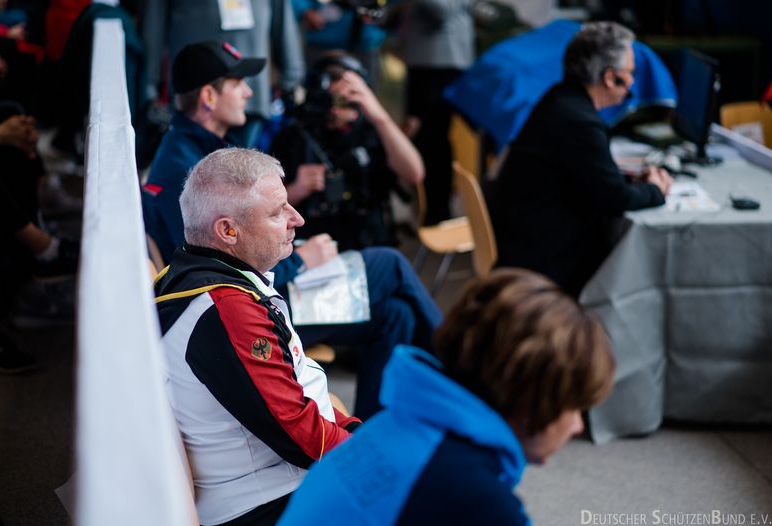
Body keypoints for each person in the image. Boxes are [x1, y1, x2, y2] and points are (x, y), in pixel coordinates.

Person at [143, 41, 441, 419]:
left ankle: (372, 431)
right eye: (239, 83)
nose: (250, 93)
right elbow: (210, 269)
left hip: (259, 290)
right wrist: (300, 259)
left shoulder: (192, 150)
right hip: (250, 308)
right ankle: (465, 368)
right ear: (208, 96)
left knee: (396, 314)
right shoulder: (189, 171)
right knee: (390, 263)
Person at [278, 268, 615, 525]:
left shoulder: (399, 427)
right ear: (534, 400)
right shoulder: (473, 498)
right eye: (574, 406)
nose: (576, 426)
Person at [154, 147, 361, 525]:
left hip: (276, 477)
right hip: (268, 500)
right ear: (228, 231)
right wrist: (374, 450)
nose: (296, 219)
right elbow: (302, 438)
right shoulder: (226, 308)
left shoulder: (196, 271)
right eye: (277, 212)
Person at [489, 21, 673, 298]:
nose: (633, 82)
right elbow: (615, 199)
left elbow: (585, 174)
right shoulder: (579, 121)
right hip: (542, 261)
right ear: (611, 78)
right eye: (630, 73)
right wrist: (655, 190)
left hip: (523, 240)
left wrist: (626, 179)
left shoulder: (560, 99)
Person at [271, 52, 424, 250]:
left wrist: (380, 117)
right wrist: (297, 189)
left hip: (370, 240)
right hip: (314, 246)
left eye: (347, 102)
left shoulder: (373, 131)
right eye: (330, 102)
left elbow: (414, 174)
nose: (336, 111)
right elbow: (263, 210)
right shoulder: (294, 136)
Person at [140, 0, 304, 148]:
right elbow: (153, 30)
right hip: (197, 99)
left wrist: (290, 79)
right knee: (194, 169)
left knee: (244, 172)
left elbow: (284, 23)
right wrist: (149, 90)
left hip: (252, 97)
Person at [400, 0, 474, 224]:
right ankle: (432, 211)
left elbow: (441, 8)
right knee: (428, 141)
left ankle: (436, 213)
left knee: (432, 142)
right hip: (431, 61)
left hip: (437, 63)